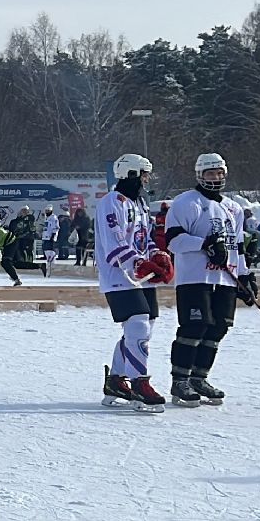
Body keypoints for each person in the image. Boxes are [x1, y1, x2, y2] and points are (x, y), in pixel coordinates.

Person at [164, 152, 257, 406]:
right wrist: (204, 243)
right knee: (195, 326)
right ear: (200, 175)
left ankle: (199, 377)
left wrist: (244, 277)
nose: (215, 178)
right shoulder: (186, 202)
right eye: (210, 173)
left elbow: (237, 246)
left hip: (225, 278)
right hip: (195, 277)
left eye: (219, 173)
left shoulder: (234, 208)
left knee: (218, 327)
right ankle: (180, 379)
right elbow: (173, 241)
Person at [95, 155, 170, 412]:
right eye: (144, 175)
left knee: (146, 327)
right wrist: (137, 263)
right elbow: (114, 242)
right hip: (119, 276)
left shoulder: (140, 203)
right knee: (137, 324)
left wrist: (157, 256)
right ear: (132, 174)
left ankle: (116, 380)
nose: (146, 180)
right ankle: (140, 383)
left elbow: (145, 238)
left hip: (140, 276)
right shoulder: (111, 202)